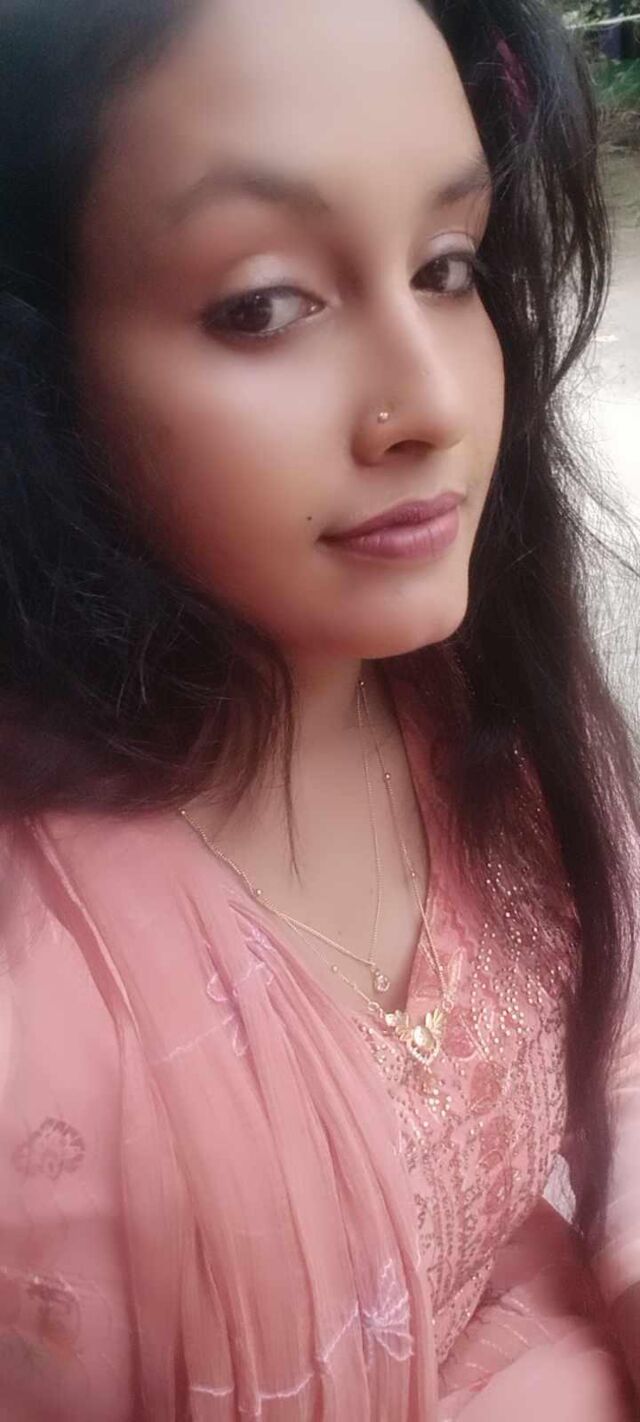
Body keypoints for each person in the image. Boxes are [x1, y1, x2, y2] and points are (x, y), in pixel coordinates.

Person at [0, 0, 639, 1415]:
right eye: (263, 303)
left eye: (448, 267)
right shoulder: (37, 999)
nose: (430, 403)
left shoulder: (488, 701)